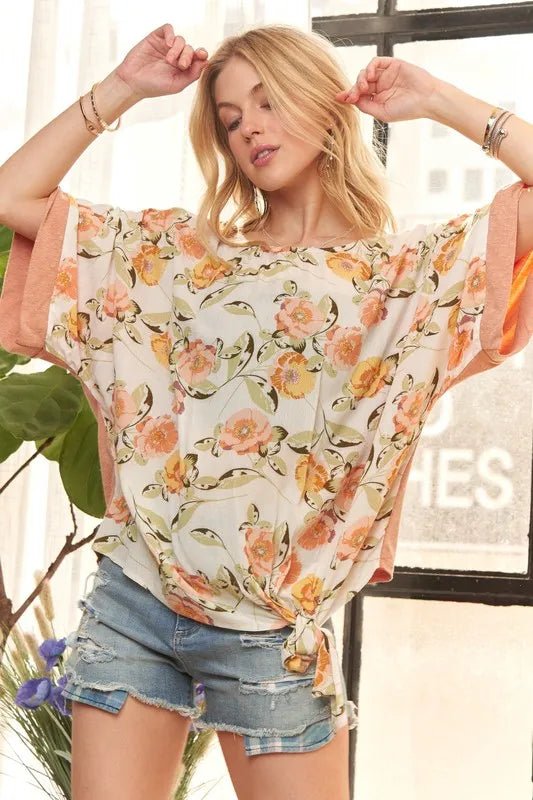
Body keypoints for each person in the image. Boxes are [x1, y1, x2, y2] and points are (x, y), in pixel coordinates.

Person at [0, 20, 531, 800]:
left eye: (267, 100)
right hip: (136, 602)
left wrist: (437, 98)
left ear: (322, 100)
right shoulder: (178, 254)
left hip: (274, 633)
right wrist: (122, 88)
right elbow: (13, 196)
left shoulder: (408, 274)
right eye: (229, 118)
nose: (248, 126)